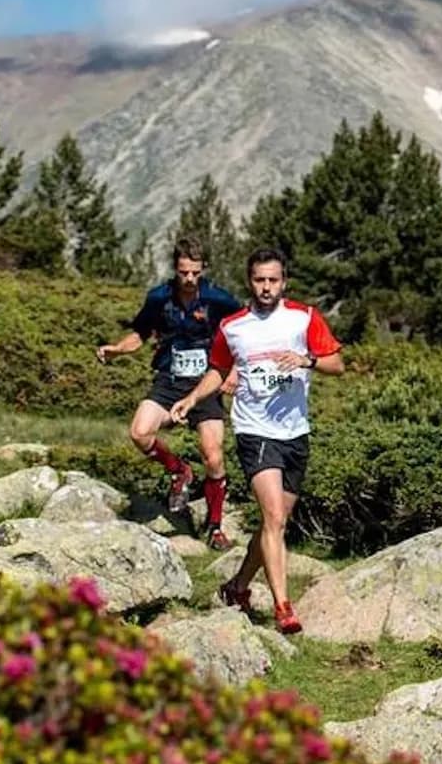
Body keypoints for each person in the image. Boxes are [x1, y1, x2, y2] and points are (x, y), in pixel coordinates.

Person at [172, 248, 342, 635]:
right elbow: (218, 369)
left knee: (275, 522)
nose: (266, 288)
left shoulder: (305, 318)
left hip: (295, 434)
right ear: (250, 282)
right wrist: (193, 397)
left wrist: (307, 361)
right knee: (275, 519)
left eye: (273, 280)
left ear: (284, 282)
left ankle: (236, 586)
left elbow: (337, 363)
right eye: (259, 280)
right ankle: (284, 608)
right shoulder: (233, 326)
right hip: (254, 430)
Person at [97, 238, 244, 549]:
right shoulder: (158, 297)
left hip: (206, 385)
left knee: (214, 456)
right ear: (175, 269)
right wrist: (117, 350)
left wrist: (233, 371)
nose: (189, 279)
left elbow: (242, 334)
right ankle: (180, 471)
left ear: (203, 269)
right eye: (183, 272)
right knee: (139, 432)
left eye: (194, 272)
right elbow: (140, 334)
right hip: (168, 381)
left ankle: (215, 528)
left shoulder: (219, 299)